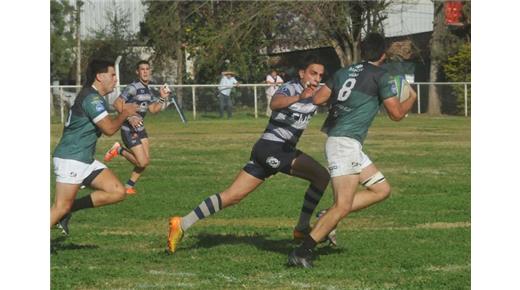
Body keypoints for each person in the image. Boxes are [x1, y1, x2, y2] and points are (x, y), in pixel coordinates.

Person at [167, 55, 330, 254]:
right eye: (313, 73)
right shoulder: (290, 88)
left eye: (320, 75)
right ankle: (302, 228)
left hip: (274, 149)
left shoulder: (318, 93)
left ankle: (181, 223)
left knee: (232, 196)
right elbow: (275, 103)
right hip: (273, 147)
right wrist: (299, 97)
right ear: (302, 73)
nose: (316, 78)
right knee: (321, 175)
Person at [288, 33, 418, 268]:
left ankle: (326, 215)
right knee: (343, 206)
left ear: (362, 50)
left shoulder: (343, 72)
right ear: (383, 54)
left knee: (381, 189)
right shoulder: (381, 75)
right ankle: (303, 251)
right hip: (344, 144)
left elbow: (318, 99)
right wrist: (412, 98)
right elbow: (397, 114)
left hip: (346, 143)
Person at [51, 59, 139, 235]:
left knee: (117, 191)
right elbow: (108, 129)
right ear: (99, 76)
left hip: (84, 160)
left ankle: (69, 209)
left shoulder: (95, 97)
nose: (115, 79)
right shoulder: (92, 99)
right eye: (112, 75)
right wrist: (125, 113)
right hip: (72, 159)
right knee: (60, 207)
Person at [103, 60, 171, 195]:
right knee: (142, 161)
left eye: (147, 69)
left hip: (140, 128)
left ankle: (128, 186)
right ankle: (119, 150)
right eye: (142, 69)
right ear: (137, 72)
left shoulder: (148, 90)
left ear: (150, 71)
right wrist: (129, 117)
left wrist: (162, 98)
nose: (145, 71)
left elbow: (153, 110)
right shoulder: (133, 87)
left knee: (145, 162)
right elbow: (117, 104)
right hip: (129, 129)